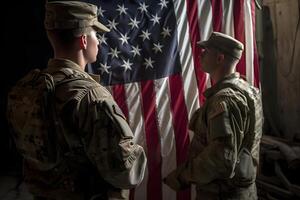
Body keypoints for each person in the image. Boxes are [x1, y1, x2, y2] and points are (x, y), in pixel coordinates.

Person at [7, 1, 146, 200]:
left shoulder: (26, 88)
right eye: (95, 34)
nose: (98, 41)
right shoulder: (90, 97)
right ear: (83, 40)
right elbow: (126, 172)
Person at [163, 32, 263, 199]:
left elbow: (221, 158)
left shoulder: (223, 100)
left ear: (220, 58)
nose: (201, 55)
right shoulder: (247, 90)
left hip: (222, 193)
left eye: (206, 51)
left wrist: (183, 176)